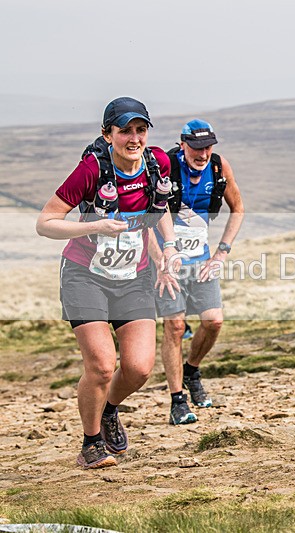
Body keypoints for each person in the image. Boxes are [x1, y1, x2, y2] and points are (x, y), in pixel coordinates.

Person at [36, 97, 179, 468]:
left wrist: (169, 251)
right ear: (108, 133)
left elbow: (159, 210)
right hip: (86, 275)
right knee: (101, 365)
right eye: (124, 131)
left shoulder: (156, 163)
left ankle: (109, 409)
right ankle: (90, 442)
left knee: (138, 368)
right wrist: (94, 226)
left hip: (133, 277)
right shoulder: (91, 170)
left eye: (140, 130)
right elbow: (46, 222)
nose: (134, 138)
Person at [151, 119, 244, 425]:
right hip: (169, 260)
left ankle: (192, 369)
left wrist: (222, 252)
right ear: (183, 145)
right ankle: (177, 400)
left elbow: (238, 208)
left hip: (203, 260)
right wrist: (162, 260)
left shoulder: (219, 167)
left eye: (208, 147)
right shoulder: (165, 166)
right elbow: (149, 214)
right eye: (197, 147)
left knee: (214, 321)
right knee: (175, 327)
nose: (203, 154)